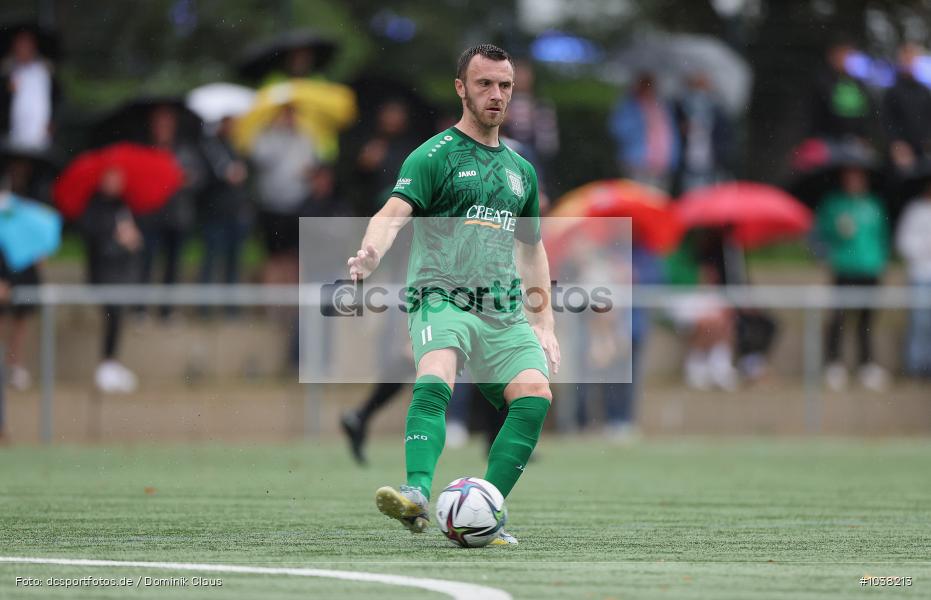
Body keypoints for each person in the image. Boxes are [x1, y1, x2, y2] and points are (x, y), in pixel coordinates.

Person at [346, 44, 559, 545]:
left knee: (534, 395)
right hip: (440, 295)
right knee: (436, 372)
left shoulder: (521, 171)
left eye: (505, 86)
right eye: (484, 83)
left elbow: (532, 249)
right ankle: (417, 492)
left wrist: (544, 323)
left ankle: (485, 507)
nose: (496, 95)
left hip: (502, 309)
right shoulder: (433, 155)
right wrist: (371, 252)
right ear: (461, 88)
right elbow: (394, 211)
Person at [816, 166, 890, 391]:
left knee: (866, 321)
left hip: (870, 268)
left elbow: (882, 236)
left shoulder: (874, 204)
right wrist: (836, 231)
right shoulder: (834, 204)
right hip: (844, 267)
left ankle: (866, 365)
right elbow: (821, 233)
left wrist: (881, 262)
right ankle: (834, 364)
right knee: (838, 317)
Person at [79, 168, 143, 393]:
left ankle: (110, 363)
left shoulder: (122, 206)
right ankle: (107, 365)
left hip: (120, 272)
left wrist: (131, 241)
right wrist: (117, 239)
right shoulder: (94, 206)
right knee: (112, 313)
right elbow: (95, 239)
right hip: (102, 272)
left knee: (117, 316)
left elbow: (132, 237)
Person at [608, 73, 680, 191]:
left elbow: (670, 132)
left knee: (658, 197)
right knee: (639, 195)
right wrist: (640, 127)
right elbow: (617, 129)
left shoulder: (661, 106)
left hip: (661, 160)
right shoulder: (629, 106)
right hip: (638, 160)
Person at [895, 180, 931, 378]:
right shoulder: (915, 210)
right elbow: (904, 243)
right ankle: (916, 368)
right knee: (919, 323)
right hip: (920, 275)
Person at [883, 43, 931, 175]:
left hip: (923, 149)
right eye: (906, 58)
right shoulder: (892, 92)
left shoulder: (924, 91)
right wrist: (897, 144)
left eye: (912, 58)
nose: (909, 62)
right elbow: (887, 121)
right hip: (902, 151)